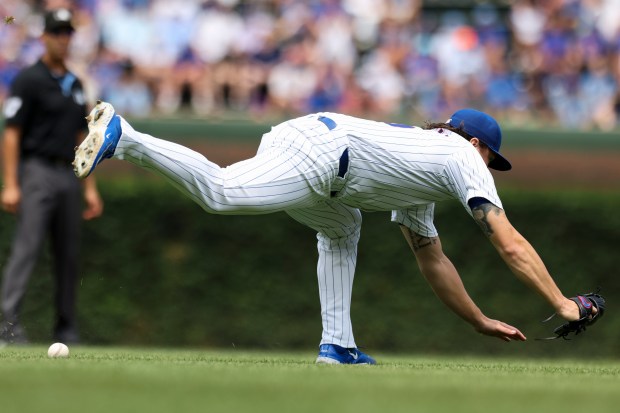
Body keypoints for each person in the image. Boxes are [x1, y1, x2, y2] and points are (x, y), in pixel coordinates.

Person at [73, 100, 584, 364]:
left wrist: (478, 320)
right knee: (221, 193)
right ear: (478, 144)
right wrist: (563, 303)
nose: (490, 170)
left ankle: (337, 346)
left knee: (343, 228)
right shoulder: (459, 154)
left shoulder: (425, 176)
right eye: (492, 160)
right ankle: (128, 138)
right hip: (322, 156)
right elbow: (507, 239)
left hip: (314, 148)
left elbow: (432, 257)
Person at [0, 9, 103, 345]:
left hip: (68, 173)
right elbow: (12, 133)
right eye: (57, 32)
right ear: (44, 36)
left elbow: (81, 139)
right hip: (37, 170)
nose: (63, 38)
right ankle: (6, 324)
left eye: (67, 33)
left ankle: (66, 327)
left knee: (68, 253)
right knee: (27, 249)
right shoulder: (29, 79)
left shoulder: (76, 84)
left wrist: (90, 187)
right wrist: (11, 183)